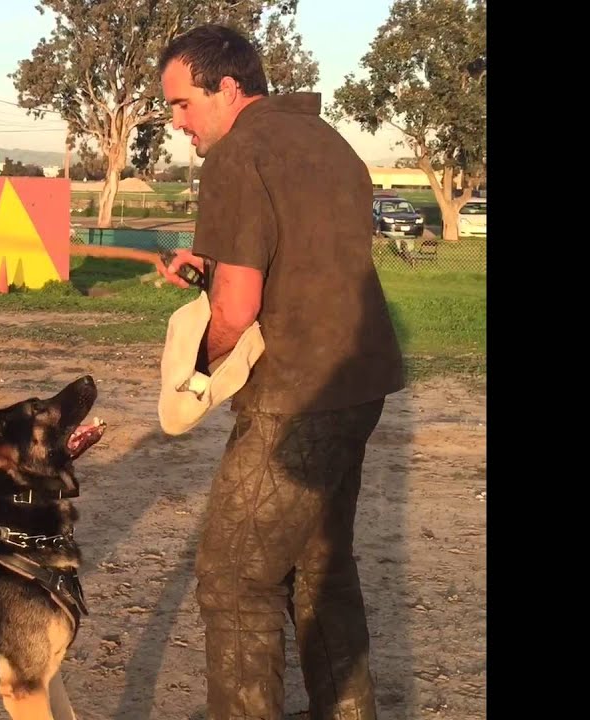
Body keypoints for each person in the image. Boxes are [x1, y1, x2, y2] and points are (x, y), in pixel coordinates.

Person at [157, 23, 406, 720]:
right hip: (358, 383)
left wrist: (200, 372)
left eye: (182, 104)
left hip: (296, 394)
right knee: (322, 571)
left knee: (234, 579)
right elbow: (295, 253)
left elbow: (238, 306)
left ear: (227, 88)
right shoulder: (324, 140)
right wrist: (206, 267)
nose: (178, 123)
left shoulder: (239, 153)